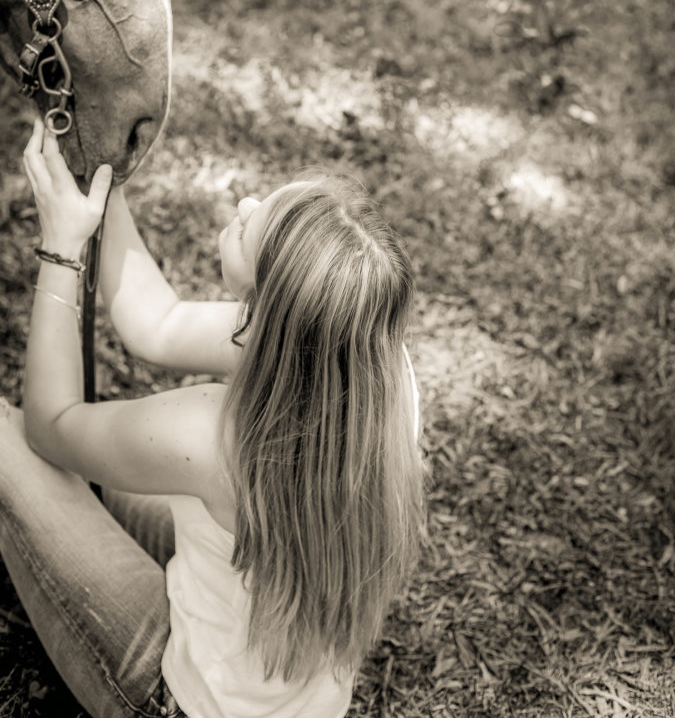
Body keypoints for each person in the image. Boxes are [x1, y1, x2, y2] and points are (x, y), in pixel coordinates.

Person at [0, 117, 424, 718]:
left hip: (182, 701)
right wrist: (102, 172)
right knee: (99, 480)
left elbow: (51, 423)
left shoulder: (214, 436)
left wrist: (62, 248)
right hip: (272, 657)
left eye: (253, 225)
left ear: (264, 306)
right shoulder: (369, 364)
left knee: (6, 434)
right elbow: (159, 324)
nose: (245, 203)